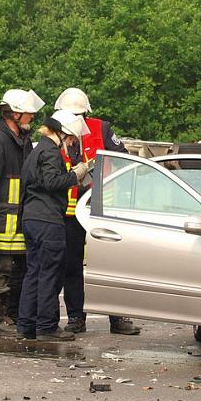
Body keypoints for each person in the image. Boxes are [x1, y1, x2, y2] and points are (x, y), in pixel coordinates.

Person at [54, 87, 141, 335]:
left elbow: (124, 158)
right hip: (70, 213)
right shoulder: (55, 135)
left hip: (100, 210)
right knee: (72, 267)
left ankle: (117, 318)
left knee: (109, 265)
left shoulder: (101, 128)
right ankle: (76, 317)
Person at [0, 88, 45, 336]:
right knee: (0, 270)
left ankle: (12, 315)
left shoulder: (21, 142)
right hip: (0, 222)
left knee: (18, 271)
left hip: (18, 222)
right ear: (14, 114)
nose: (31, 118)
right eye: (28, 114)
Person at [17, 111, 90, 341]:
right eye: (70, 139)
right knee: (50, 273)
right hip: (48, 221)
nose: (70, 144)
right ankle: (47, 326)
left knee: (34, 273)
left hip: (31, 219)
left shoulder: (35, 150)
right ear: (62, 133)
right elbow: (51, 182)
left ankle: (27, 325)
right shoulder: (50, 152)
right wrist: (75, 175)